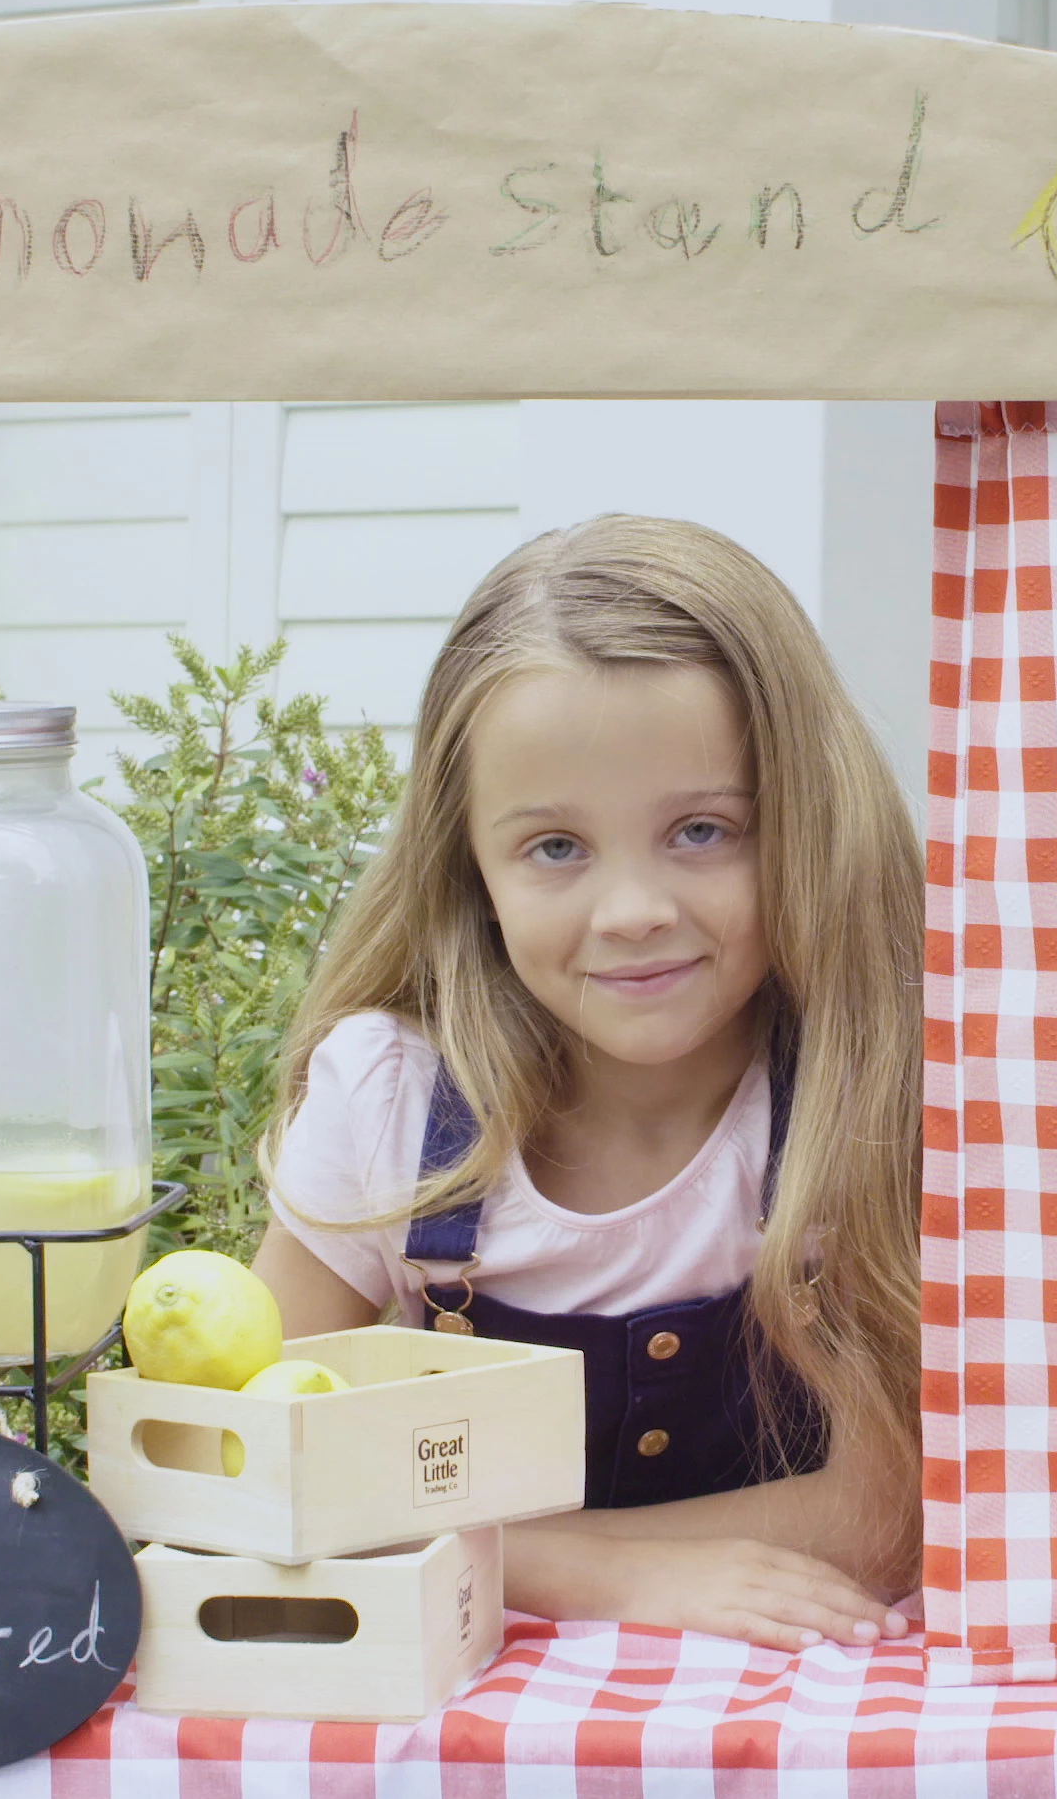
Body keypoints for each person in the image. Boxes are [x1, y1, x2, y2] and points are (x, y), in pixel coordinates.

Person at [250, 515, 924, 1652]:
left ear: (810, 820)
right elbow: (253, 1461)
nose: (632, 912)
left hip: (791, 1738)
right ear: (470, 864)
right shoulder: (391, 1101)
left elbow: (876, 1516)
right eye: (556, 848)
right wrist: (604, 1580)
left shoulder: (869, 1086)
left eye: (702, 830)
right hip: (463, 1743)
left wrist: (464, 1539)